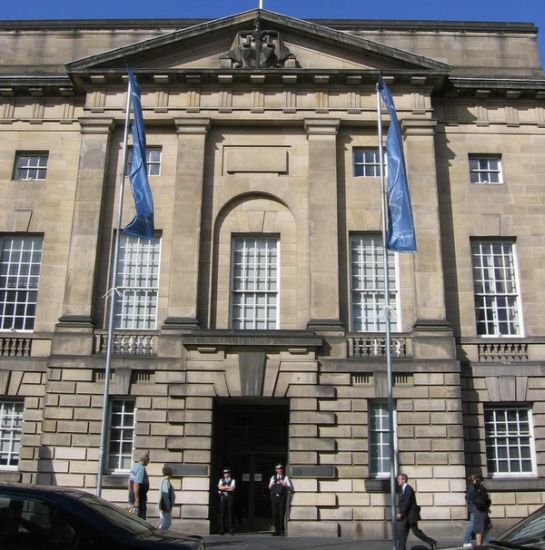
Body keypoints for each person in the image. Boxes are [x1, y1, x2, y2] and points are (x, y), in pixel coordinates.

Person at [396, 473, 437, 550]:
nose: (398, 480)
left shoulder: (408, 489)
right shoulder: (405, 489)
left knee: (416, 532)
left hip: (410, 516)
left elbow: (407, 502)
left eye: (399, 479)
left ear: (404, 479)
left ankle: (432, 542)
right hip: (406, 516)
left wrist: (401, 513)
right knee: (403, 533)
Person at [268, 463, 293, 536]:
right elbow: (269, 488)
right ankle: (277, 530)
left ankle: (282, 531)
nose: (279, 470)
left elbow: (291, 488)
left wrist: (285, 484)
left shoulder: (285, 478)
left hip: (282, 497)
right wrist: (272, 484)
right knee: (275, 514)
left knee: (281, 513)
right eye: (278, 469)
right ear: (276, 470)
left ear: (282, 469)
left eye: (280, 468)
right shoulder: (273, 477)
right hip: (274, 497)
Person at [128, 451, 150, 519]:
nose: (149, 460)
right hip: (139, 499)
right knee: (140, 520)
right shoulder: (141, 468)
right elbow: (136, 484)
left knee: (132, 518)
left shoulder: (135, 466)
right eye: (148, 459)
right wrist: (137, 500)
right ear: (145, 459)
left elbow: (129, 482)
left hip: (133, 497)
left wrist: (130, 495)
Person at [471, 473, 491, 546]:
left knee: (486, 526)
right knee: (480, 528)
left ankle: (480, 544)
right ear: (481, 481)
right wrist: (488, 503)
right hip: (480, 510)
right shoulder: (481, 489)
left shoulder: (474, 488)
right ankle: (479, 545)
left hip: (478, 509)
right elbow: (485, 499)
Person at [217, 467, 236, 535]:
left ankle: (231, 529)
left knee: (230, 513)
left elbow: (232, 489)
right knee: (222, 513)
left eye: (226, 473)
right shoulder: (221, 480)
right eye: (224, 473)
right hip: (222, 497)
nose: (225, 474)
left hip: (230, 497)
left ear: (229, 473)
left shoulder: (233, 480)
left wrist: (223, 488)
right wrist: (227, 487)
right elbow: (219, 487)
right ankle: (222, 529)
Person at [158, 464, 175, 531]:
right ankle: (160, 534)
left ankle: (161, 534)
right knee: (167, 522)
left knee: (164, 522)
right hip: (165, 506)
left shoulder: (165, 480)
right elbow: (165, 495)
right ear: (170, 472)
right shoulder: (165, 481)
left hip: (164, 506)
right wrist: (168, 507)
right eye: (172, 471)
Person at [463, 474, 476, 547]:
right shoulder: (472, 488)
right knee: (472, 524)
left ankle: (470, 539)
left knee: (473, 524)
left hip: (472, 508)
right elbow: (471, 497)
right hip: (474, 508)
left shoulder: (471, 487)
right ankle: (466, 541)